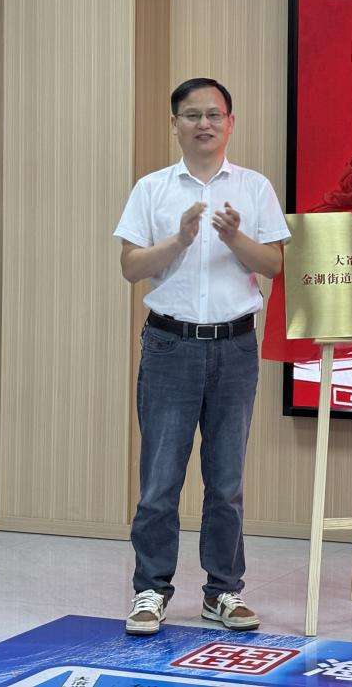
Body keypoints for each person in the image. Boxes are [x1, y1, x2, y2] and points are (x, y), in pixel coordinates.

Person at [114, 77, 290, 635]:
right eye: (192, 115)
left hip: (235, 347)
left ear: (230, 123)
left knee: (226, 480)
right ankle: (150, 589)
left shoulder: (255, 187)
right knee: (160, 479)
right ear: (175, 124)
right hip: (169, 345)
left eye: (214, 114)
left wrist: (235, 239)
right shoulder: (152, 188)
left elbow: (276, 265)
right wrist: (180, 240)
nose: (204, 123)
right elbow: (131, 267)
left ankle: (223, 592)